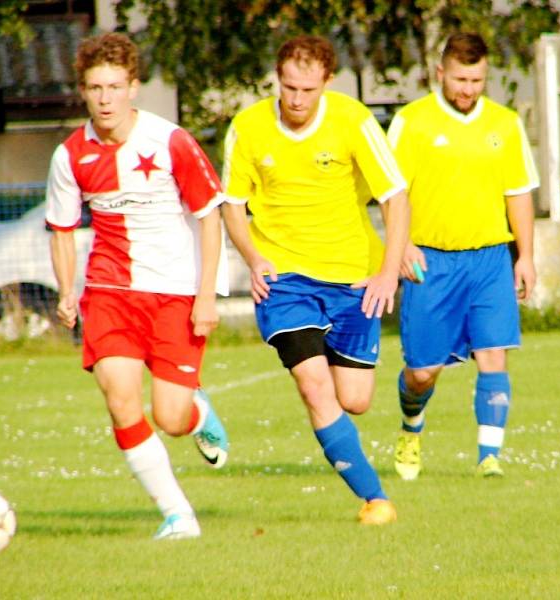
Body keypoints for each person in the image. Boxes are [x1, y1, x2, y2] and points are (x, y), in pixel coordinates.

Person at [45, 32, 230, 540]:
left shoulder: (171, 141)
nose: (104, 98)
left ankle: (196, 413)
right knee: (120, 398)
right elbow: (61, 229)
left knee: (170, 416)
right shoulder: (70, 156)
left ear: (133, 88)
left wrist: (208, 295)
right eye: (94, 88)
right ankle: (177, 515)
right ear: (83, 90)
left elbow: (210, 219)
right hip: (109, 293)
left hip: (175, 292)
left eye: (114, 86)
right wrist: (66, 291)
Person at [221, 35, 410, 524]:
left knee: (355, 400)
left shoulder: (355, 121)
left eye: (308, 89)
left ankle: (324, 354)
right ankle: (375, 498)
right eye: (288, 87)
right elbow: (233, 206)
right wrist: (252, 257)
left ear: (327, 81)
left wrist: (388, 271)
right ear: (277, 79)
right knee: (313, 385)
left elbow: (396, 198)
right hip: (284, 281)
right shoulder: (248, 128)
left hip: (351, 280)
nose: (297, 99)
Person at [388, 32, 539, 480]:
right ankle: (411, 426)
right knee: (422, 373)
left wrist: (525, 256)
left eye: (476, 80)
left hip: (490, 259)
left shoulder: (505, 123)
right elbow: (392, 192)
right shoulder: (412, 121)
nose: (468, 89)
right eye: (460, 79)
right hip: (431, 263)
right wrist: (402, 244)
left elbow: (519, 193)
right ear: (440, 73)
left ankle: (488, 457)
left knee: (494, 354)